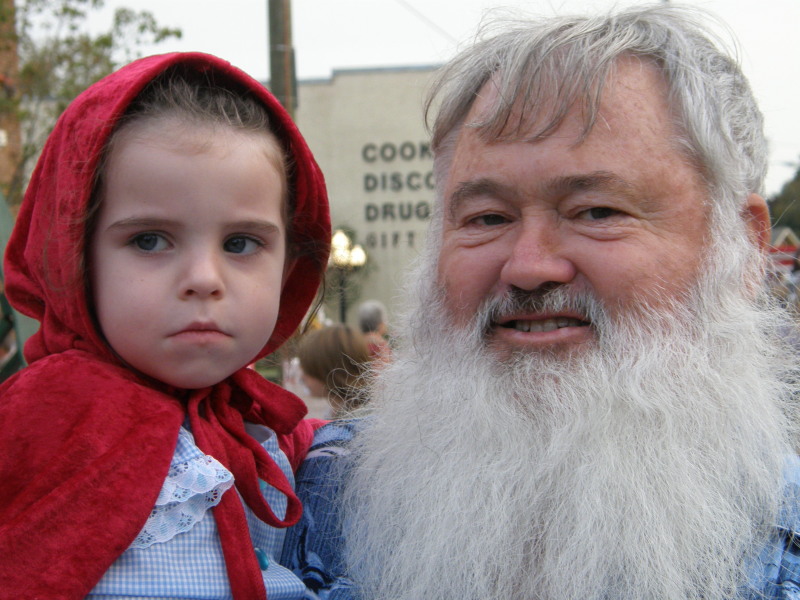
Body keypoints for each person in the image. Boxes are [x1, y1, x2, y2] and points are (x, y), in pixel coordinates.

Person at [282, 6, 800, 600]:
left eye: (597, 211)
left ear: (744, 249)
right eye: (487, 218)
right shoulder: (297, 505)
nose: (528, 267)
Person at [0, 52, 331, 599]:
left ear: (290, 268)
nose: (203, 279)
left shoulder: (266, 427)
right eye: (149, 240)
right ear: (73, 259)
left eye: (241, 243)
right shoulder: (38, 426)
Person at [297, 325, 371, 418]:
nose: (302, 378)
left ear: (328, 371)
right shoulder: (346, 412)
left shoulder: (351, 423)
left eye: (308, 371)